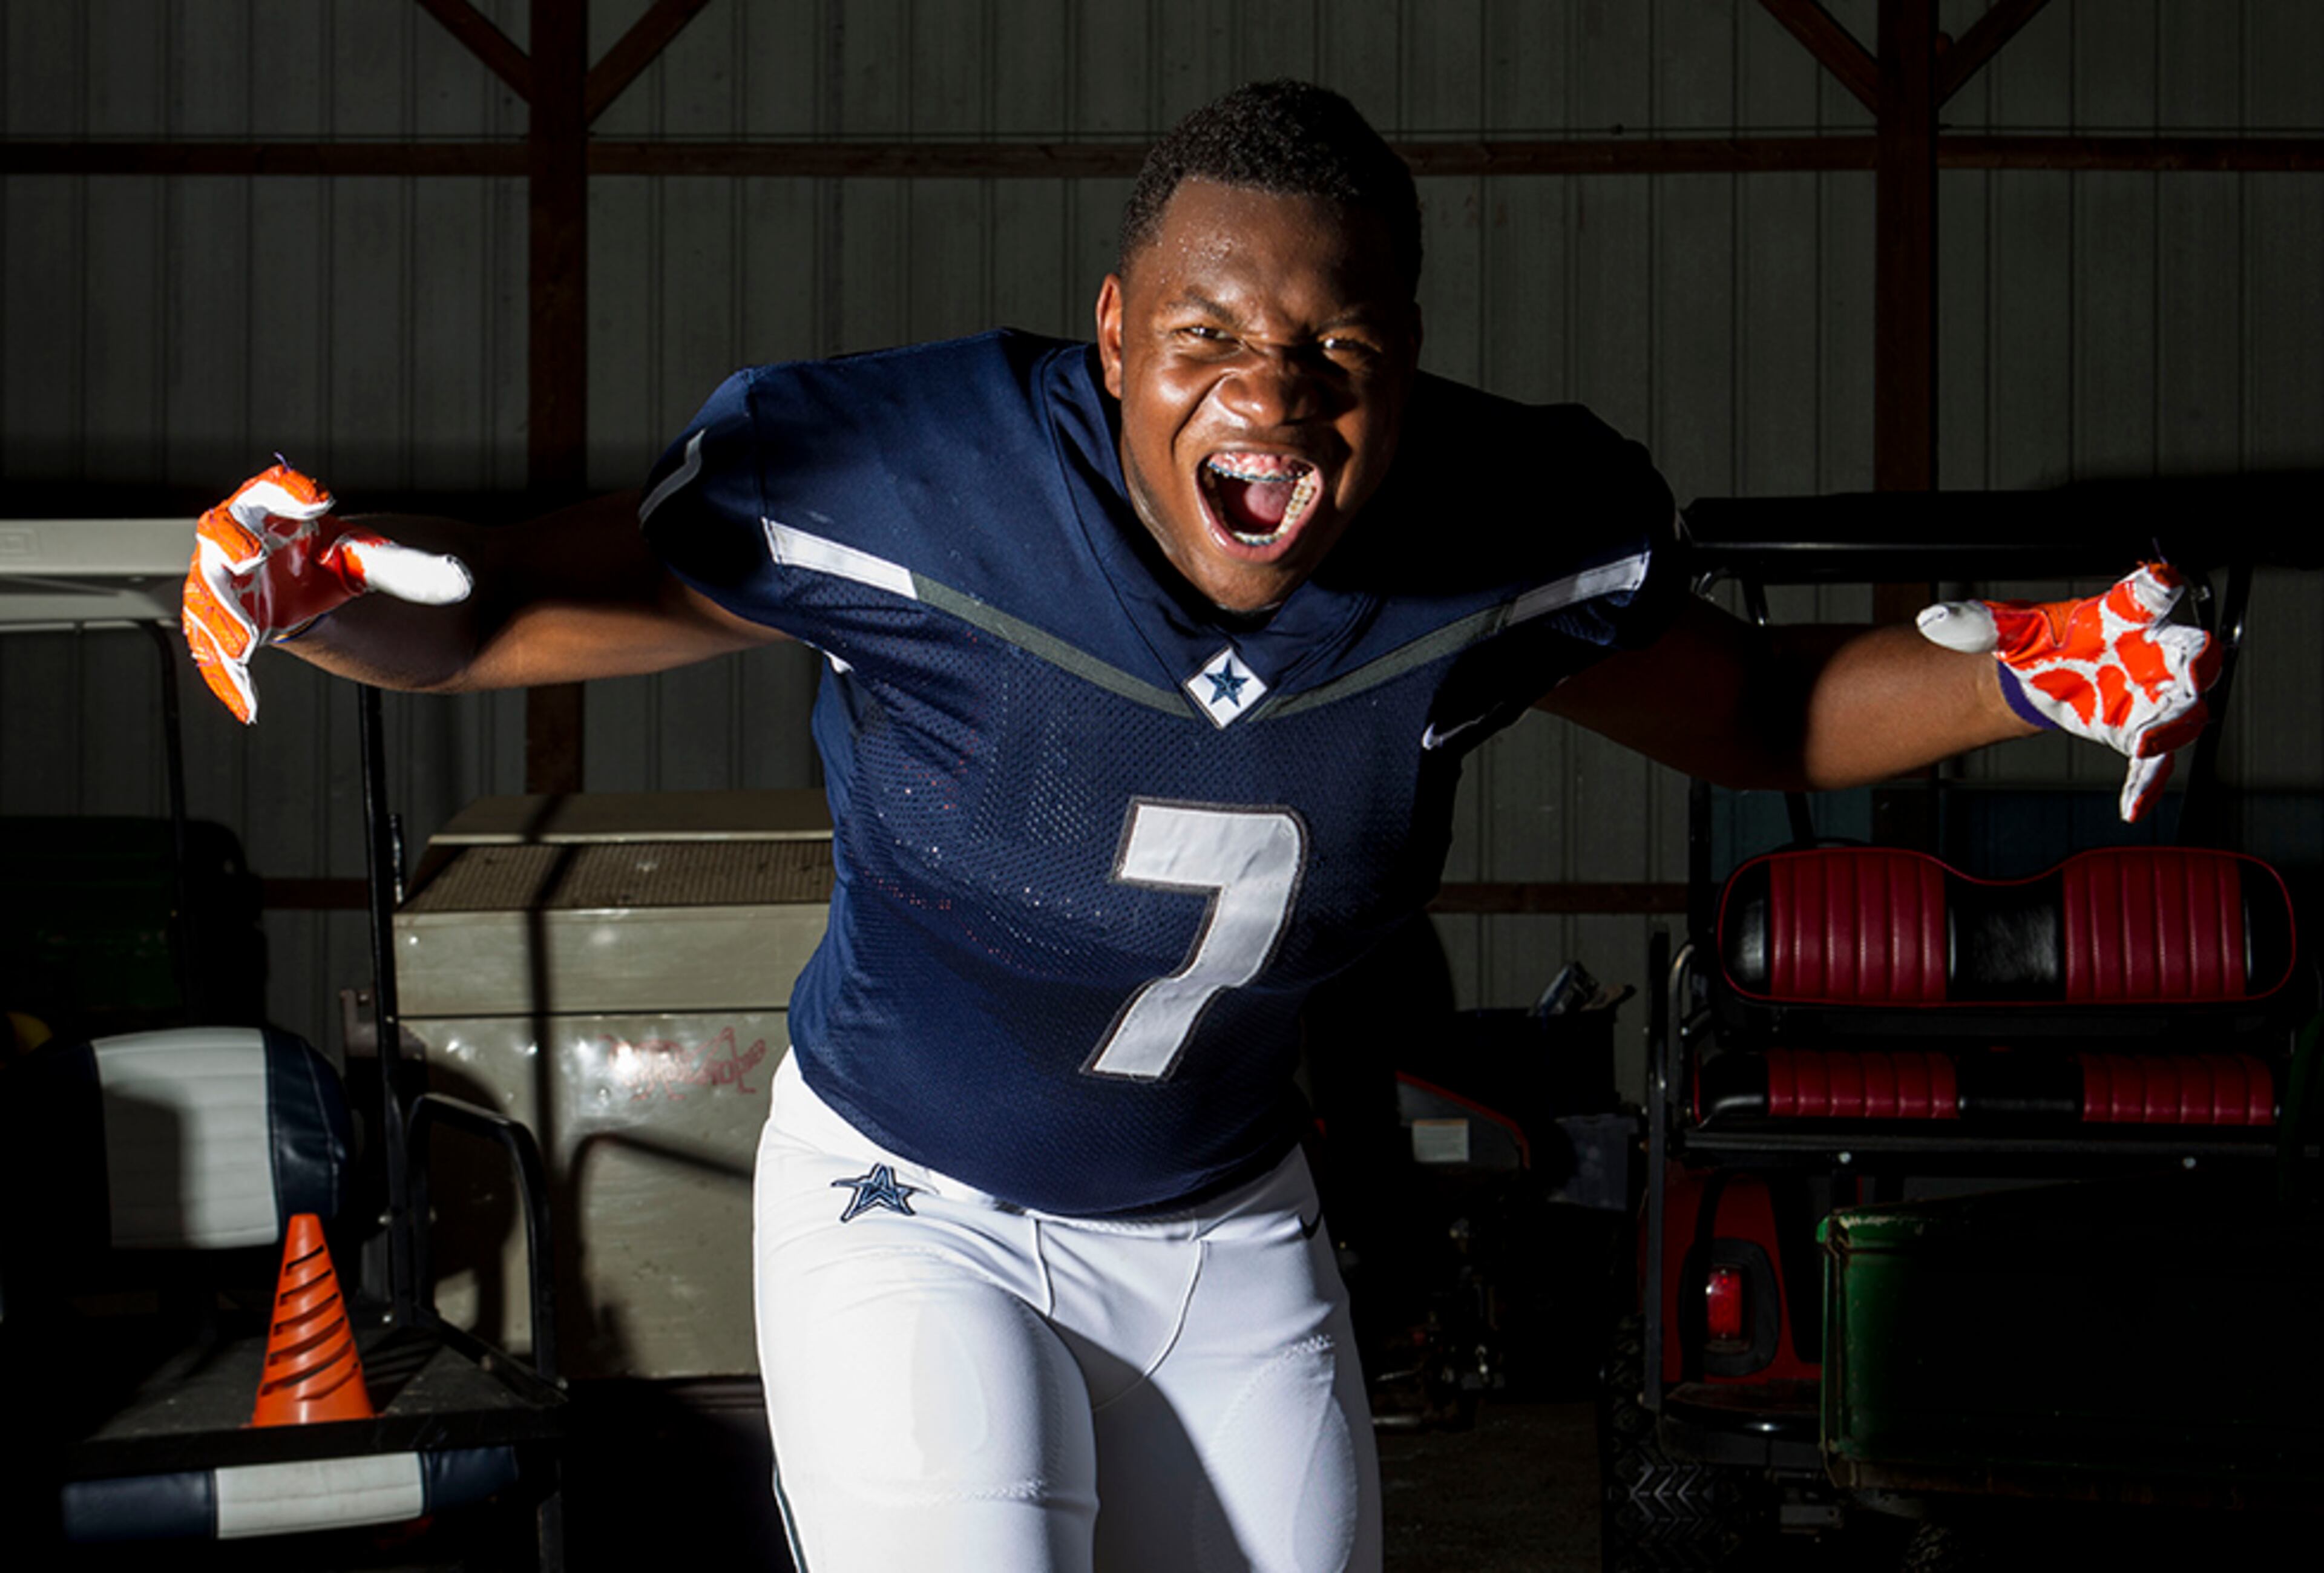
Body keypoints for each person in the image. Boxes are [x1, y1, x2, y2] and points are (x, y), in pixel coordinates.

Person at [180, 80, 2212, 1573]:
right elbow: (511, 609)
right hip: (919, 1198)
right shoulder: (917, 479)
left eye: (1340, 352)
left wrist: (2023, 664)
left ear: (1407, 374)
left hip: (1226, 1222)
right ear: (1114, 334)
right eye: (1211, 340)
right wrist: (323, 588)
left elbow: (1763, 711)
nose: (1278, 399)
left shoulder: (1497, 539)